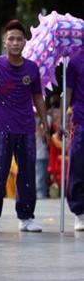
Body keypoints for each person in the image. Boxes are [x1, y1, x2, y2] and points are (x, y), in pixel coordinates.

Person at [0, 20, 49, 233]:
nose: (15, 43)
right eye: (11, 39)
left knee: (27, 175)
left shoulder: (32, 68)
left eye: (19, 39)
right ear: (5, 42)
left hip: (26, 129)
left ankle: (26, 218)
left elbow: (38, 97)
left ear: (25, 42)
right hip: (1, 130)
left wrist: (44, 123)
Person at [64, 53, 84, 231]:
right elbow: (68, 91)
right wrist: (63, 117)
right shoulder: (76, 61)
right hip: (80, 120)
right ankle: (80, 213)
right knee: (77, 165)